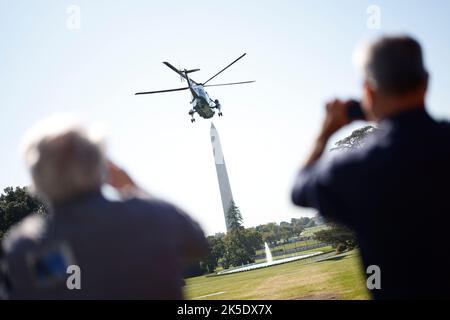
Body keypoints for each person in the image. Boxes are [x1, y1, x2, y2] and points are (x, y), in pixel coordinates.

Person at [291, 35, 450, 299]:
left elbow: (299, 188)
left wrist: (324, 134)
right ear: (426, 82)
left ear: (368, 91)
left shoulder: (355, 168)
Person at [1, 117, 207, 299]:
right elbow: (198, 244)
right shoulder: (152, 217)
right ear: (100, 165)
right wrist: (134, 189)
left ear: (37, 178)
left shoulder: (27, 246)